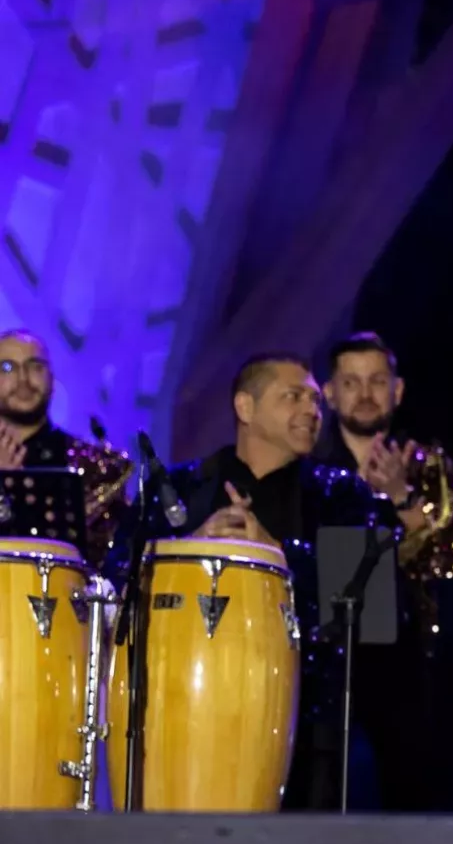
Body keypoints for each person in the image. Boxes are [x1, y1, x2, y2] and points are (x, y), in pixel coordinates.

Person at [128, 353, 389, 811]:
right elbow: (117, 579)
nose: (312, 409)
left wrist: (275, 551)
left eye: (314, 399)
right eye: (294, 397)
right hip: (185, 718)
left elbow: (373, 611)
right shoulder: (183, 489)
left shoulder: (343, 495)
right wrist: (189, 548)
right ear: (245, 408)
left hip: (306, 732)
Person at [315, 331, 453, 812]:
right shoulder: (314, 466)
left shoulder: (426, 465)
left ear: (398, 390)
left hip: (405, 666)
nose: (365, 394)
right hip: (323, 661)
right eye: (352, 382)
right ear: (330, 392)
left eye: (377, 381)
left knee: (404, 796)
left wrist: (402, 495)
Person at [0, 329, 132, 566]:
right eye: (8, 368)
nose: (23, 379)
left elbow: (109, 562)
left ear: (52, 379)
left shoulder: (94, 467)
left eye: (35, 366)